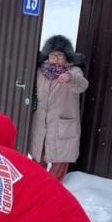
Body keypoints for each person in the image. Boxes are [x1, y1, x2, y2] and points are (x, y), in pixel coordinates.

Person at [29, 35, 89, 181]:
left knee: (60, 160)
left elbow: (82, 84)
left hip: (62, 125)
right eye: (52, 54)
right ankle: (35, 188)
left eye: (59, 55)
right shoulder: (39, 71)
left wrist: (69, 78)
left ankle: (52, 192)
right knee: (38, 158)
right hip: (42, 124)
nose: (55, 58)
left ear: (66, 57)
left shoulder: (73, 71)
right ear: (47, 56)